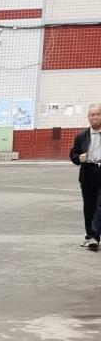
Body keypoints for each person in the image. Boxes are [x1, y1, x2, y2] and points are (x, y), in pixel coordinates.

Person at [70, 104, 101, 250]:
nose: (95, 117)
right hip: (88, 173)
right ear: (88, 117)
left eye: (98, 114)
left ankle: (94, 236)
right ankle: (90, 236)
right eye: (92, 114)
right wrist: (78, 158)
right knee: (89, 207)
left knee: (100, 205)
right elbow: (73, 155)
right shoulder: (82, 136)